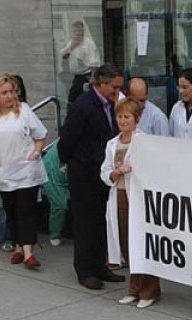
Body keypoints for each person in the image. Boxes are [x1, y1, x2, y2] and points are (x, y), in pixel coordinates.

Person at [58, 63, 125, 289]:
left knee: (100, 222)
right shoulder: (83, 106)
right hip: (84, 173)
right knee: (85, 223)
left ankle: (100, 265)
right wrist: (73, 163)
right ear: (102, 83)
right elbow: (66, 140)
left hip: (104, 173)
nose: (117, 91)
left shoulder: (112, 105)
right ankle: (85, 270)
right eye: (114, 87)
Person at [0, 74, 48, 269]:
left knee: (26, 211)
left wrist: (36, 152)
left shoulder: (23, 111)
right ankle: (17, 246)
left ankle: (28, 252)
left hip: (26, 170)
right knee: (11, 211)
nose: (9, 96)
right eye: (4, 92)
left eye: (12, 92)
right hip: (4, 172)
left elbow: (40, 135)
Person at [100, 97, 162, 308]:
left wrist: (132, 170)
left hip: (138, 198)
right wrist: (115, 172)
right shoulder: (112, 143)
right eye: (119, 116)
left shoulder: (143, 141)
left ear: (136, 119)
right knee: (127, 243)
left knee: (142, 244)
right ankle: (134, 289)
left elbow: (151, 169)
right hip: (119, 196)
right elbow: (104, 171)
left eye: (127, 116)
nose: (123, 120)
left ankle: (150, 290)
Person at [61, 20, 100, 105]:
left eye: (79, 31)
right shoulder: (72, 42)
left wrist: (93, 77)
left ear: (83, 31)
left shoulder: (88, 43)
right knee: (72, 101)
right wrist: (72, 46)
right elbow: (64, 56)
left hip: (86, 76)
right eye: (75, 31)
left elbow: (94, 62)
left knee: (82, 100)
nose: (77, 33)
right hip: (75, 76)